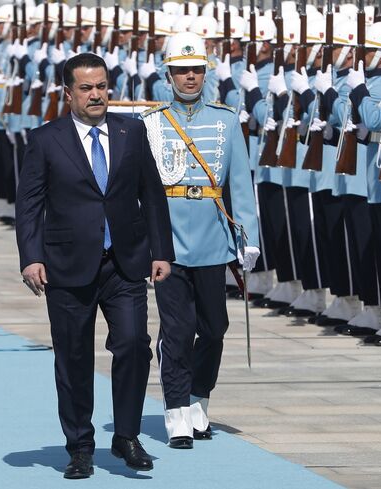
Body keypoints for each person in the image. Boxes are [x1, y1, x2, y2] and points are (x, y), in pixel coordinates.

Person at [15, 52, 174, 480]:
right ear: (68, 94)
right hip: (67, 264)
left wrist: (162, 251)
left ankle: (126, 435)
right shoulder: (46, 140)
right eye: (86, 88)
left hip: (123, 264)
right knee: (73, 357)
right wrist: (30, 257)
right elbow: (28, 205)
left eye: (102, 86)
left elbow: (151, 193)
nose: (96, 94)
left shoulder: (131, 130)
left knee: (133, 346)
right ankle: (80, 446)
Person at [142, 32, 260, 449]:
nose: (189, 78)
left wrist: (249, 237)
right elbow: (142, 189)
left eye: (195, 70)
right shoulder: (152, 122)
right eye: (181, 70)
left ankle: (198, 397)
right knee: (177, 328)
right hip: (168, 240)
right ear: (168, 73)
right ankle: (176, 411)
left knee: (214, 328)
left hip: (212, 237)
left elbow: (240, 186)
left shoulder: (226, 120)